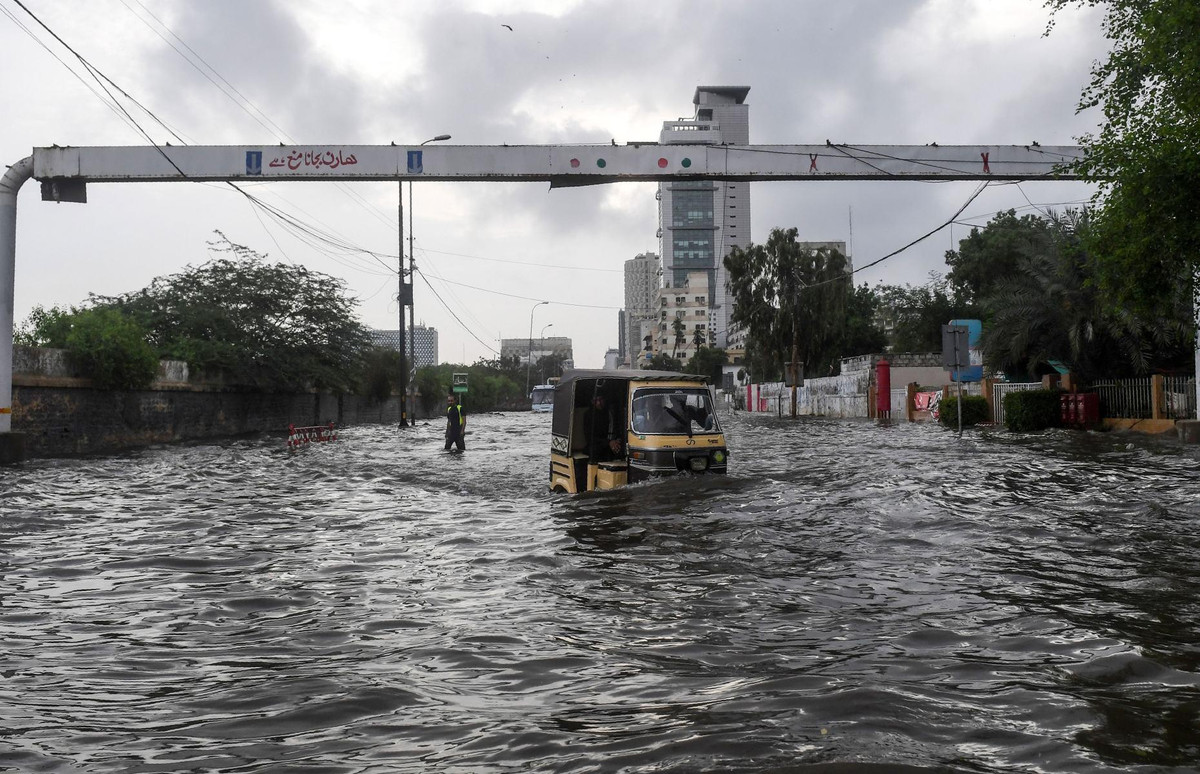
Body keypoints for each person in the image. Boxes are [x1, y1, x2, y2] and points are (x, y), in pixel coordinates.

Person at [584, 393, 621, 463]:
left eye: (601, 400)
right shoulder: (588, 415)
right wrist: (608, 442)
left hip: (612, 442)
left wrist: (616, 440)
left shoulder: (610, 412)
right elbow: (590, 438)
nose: (599, 403)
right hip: (596, 445)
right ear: (592, 402)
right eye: (596, 400)